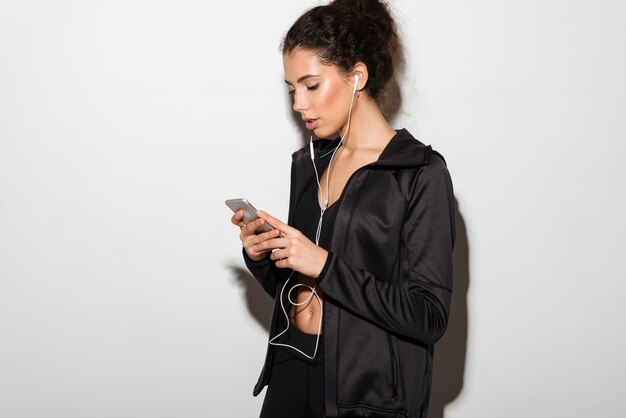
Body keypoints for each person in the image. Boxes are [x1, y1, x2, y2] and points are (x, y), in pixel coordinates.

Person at [230, 0, 455, 416]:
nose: (299, 103)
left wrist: (325, 265)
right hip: (291, 369)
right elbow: (298, 291)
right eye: (291, 88)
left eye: (311, 85)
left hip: (365, 397)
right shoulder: (309, 163)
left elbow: (428, 317)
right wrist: (263, 256)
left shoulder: (419, 172)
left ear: (357, 76)